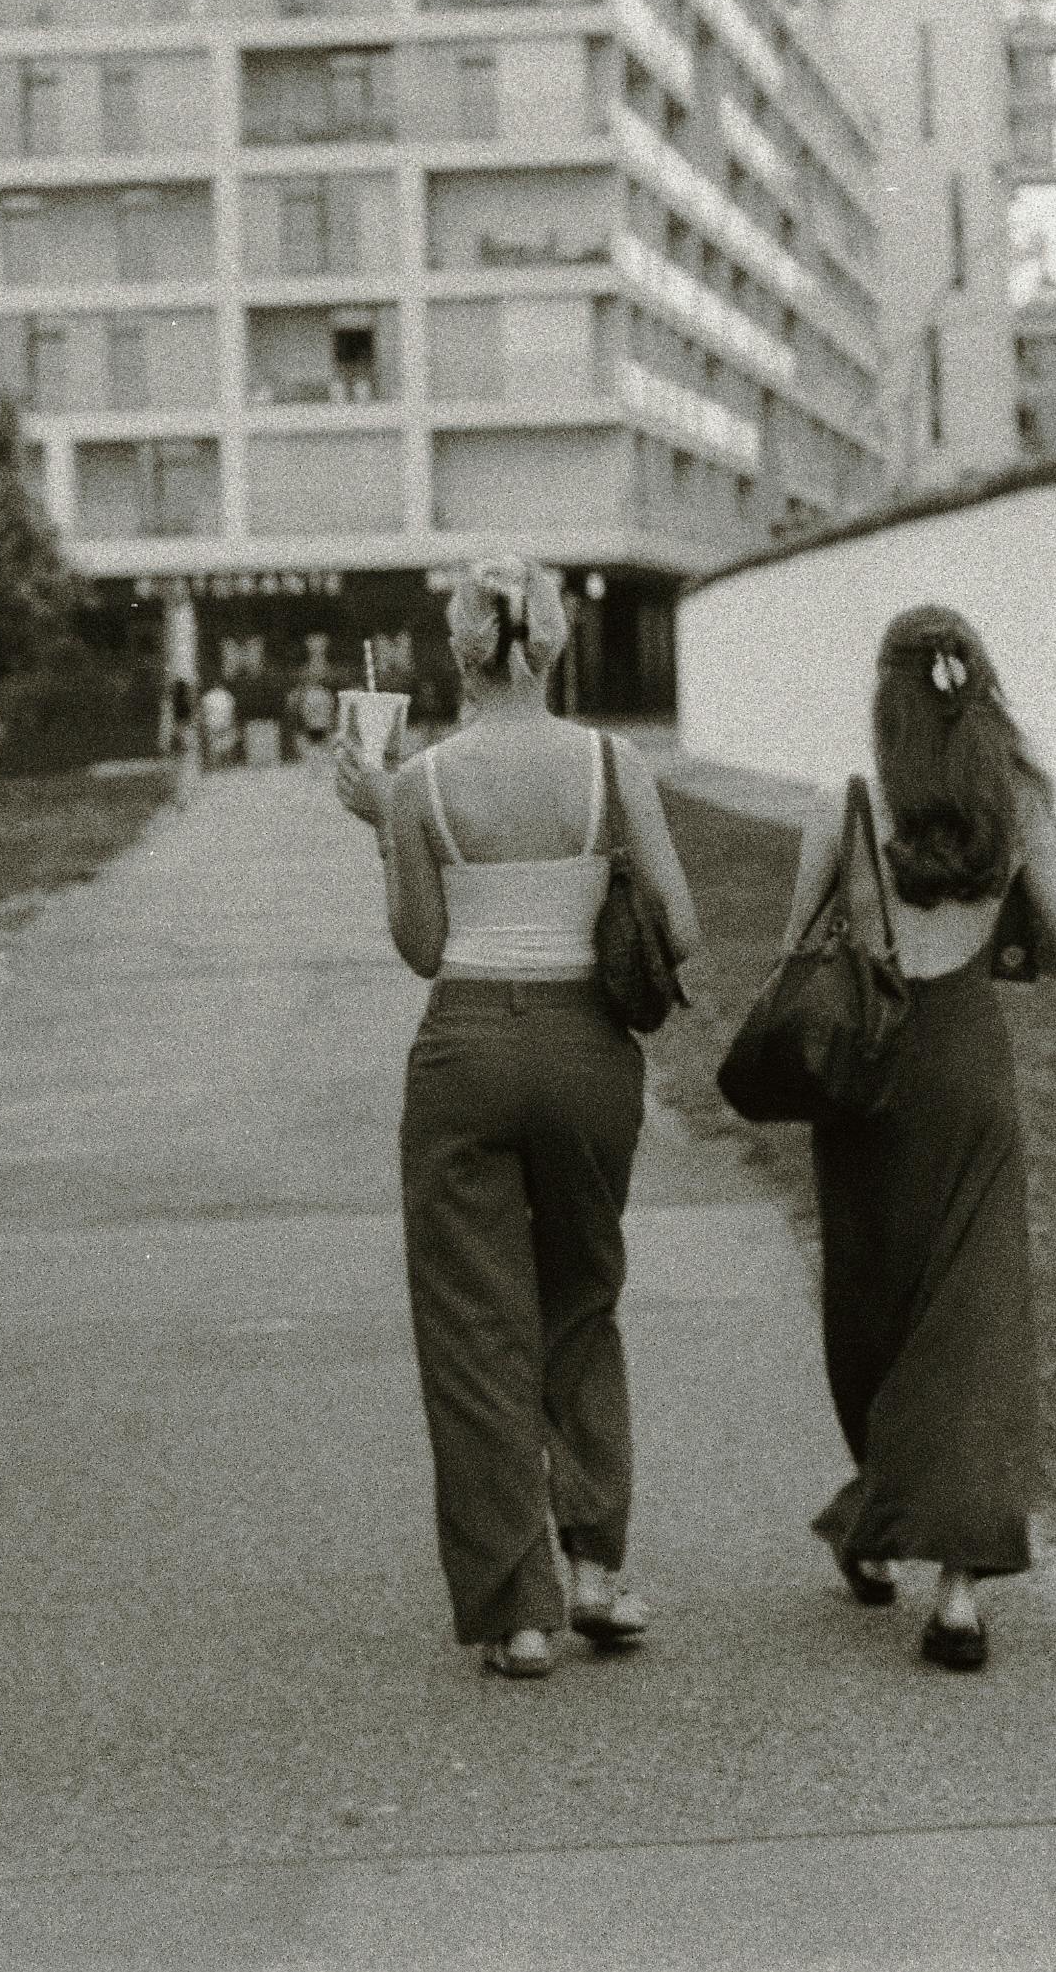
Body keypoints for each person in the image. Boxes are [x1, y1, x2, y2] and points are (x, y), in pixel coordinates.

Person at [332, 557, 701, 1679]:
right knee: (580, 1297)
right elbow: (678, 930)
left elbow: (423, 948)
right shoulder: (610, 762)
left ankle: (518, 1613)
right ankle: (597, 1569)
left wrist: (378, 817)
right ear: (552, 646)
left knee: (474, 1327)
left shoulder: (423, 782)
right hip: (587, 1052)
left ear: (457, 650)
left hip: (465, 1054)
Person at [778, 605, 1056, 1672]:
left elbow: (794, 950)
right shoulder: (1012, 810)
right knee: (970, 1321)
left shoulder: (841, 805)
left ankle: (877, 1520)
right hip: (967, 1073)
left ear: (883, 702)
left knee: (871, 1311)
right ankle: (954, 1592)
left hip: (866, 1085)